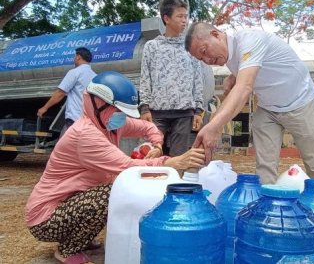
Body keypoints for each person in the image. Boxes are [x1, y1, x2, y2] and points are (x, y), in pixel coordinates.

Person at [25, 71, 205, 264]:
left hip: (66, 205)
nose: (121, 116)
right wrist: (171, 162)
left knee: (109, 192)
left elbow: (147, 127)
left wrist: (157, 145)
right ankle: (67, 251)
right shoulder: (84, 134)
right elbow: (126, 167)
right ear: (96, 104)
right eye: (117, 110)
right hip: (45, 219)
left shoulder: (109, 123)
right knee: (110, 194)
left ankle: (79, 238)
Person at [185, 22, 314, 184]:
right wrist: (232, 77)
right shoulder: (229, 57)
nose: (207, 60)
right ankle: (266, 203)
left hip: (300, 103)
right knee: (265, 167)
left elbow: (244, 88)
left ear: (216, 35)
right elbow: (248, 73)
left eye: (204, 51)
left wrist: (214, 127)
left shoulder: (249, 40)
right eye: (201, 59)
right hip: (268, 108)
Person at [139, 0, 204, 156]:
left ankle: (175, 181)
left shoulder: (190, 48)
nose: (184, 21)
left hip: (184, 114)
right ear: (166, 18)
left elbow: (197, 80)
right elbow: (145, 78)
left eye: (185, 17)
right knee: (150, 156)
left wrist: (198, 110)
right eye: (179, 16)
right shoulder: (152, 47)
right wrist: (144, 107)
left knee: (179, 158)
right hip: (156, 114)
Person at [37, 47, 96, 135]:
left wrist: (44, 108)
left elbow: (60, 93)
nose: (74, 58)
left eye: (74, 56)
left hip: (75, 118)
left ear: (78, 57)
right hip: (89, 120)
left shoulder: (75, 72)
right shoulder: (95, 76)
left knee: (66, 146)